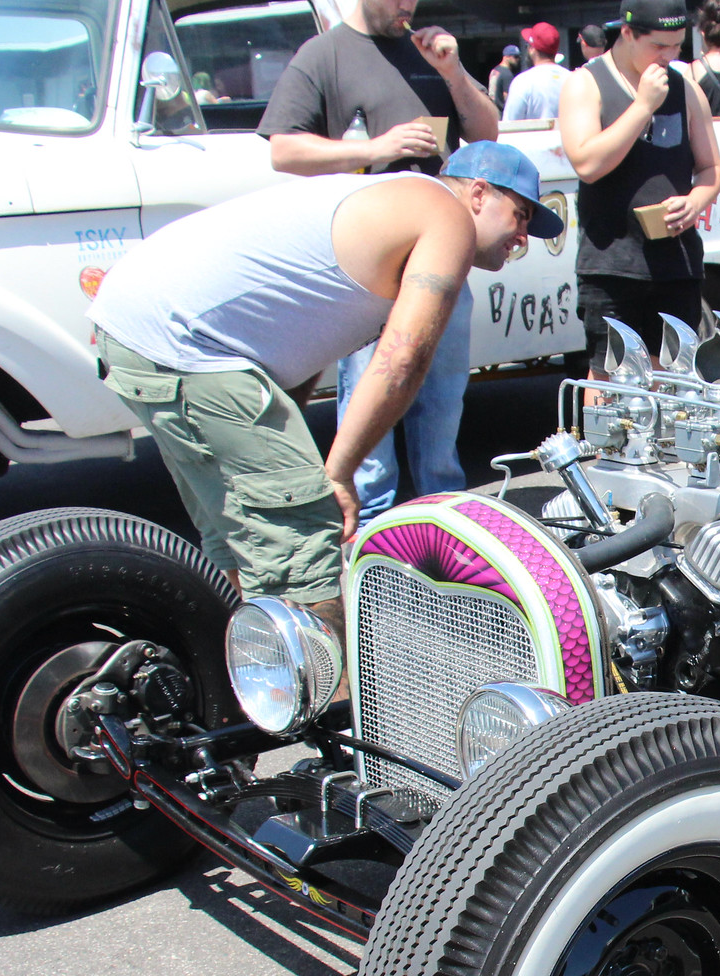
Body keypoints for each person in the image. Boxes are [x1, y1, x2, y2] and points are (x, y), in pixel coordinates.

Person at [87, 144, 559, 639]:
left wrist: (319, 463)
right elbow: (404, 359)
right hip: (187, 343)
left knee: (241, 532)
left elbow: (299, 345)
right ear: (479, 193)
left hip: (133, 331)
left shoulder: (392, 203)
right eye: (520, 214)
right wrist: (336, 474)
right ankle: (318, 706)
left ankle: (251, 681)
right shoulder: (447, 216)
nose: (523, 234)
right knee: (306, 537)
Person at [260, 0, 501, 519]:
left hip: (441, 253)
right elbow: (284, 151)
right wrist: (376, 146)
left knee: (442, 399)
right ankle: (367, 523)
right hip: (366, 263)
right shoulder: (326, 53)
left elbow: (487, 135)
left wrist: (454, 72)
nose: (406, 6)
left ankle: (444, 512)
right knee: (371, 391)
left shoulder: (426, 49)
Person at [557, 0, 720, 375]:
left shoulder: (684, 88)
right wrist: (643, 106)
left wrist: (695, 201)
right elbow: (587, 164)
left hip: (676, 264)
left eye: (677, 46)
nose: (668, 57)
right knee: (610, 379)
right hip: (612, 265)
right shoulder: (586, 83)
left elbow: (711, 168)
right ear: (628, 33)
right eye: (659, 46)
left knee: (672, 381)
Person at [503, 22, 567, 120]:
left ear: (532, 49)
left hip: (534, 136)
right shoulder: (572, 78)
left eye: (527, 45)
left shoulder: (522, 81)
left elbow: (509, 126)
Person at [488, 45, 520, 110]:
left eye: (519, 57)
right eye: (515, 57)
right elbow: (507, 98)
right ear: (506, 57)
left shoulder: (494, 70)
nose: (518, 59)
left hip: (492, 111)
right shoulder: (507, 74)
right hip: (502, 113)